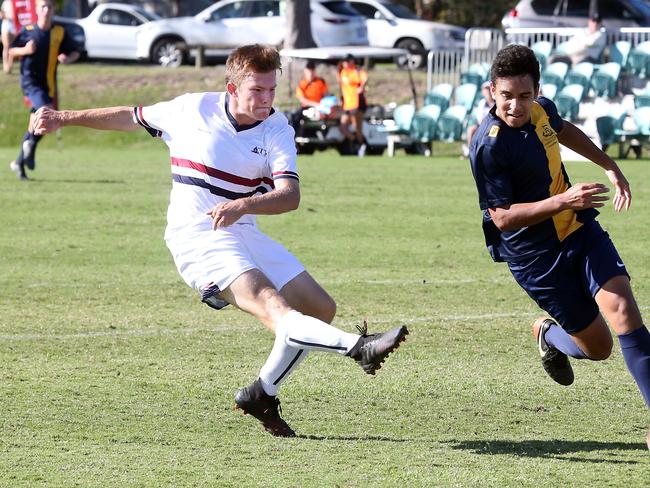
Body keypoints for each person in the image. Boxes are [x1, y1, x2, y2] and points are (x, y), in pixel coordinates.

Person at [31, 44, 408, 438]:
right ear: (231, 88)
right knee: (274, 308)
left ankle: (261, 393)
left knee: (319, 308)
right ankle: (357, 347)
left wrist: (243, 205)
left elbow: (290, 196)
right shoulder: (192, 110)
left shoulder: (277, 128)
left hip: (243, 229)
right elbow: (130, 116)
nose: (265, 100)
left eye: (271, 90)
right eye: (256, 91)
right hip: (197, 236)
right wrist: (62, 118)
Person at [469, 44, 650, 448]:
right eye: (507, 96)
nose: (516, 105)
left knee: (623, 310)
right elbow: (502, 218)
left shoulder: (542, 110)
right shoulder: (489, 146)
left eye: (525, 95)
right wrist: (563, 200)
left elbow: (565, 131)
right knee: (599, 348)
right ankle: (549, 335)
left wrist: (609, 165)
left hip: (577, 229)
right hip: (533, 256)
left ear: (537, 91)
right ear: (491, 92)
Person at [8, 0, 80, 180]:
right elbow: (10, 51)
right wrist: (25, 49)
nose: (46, 10)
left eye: (50, 6)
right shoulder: (28, 31)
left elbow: (76, 51)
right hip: (30, 83)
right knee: (46, 113)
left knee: (42, 123)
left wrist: (68, 58)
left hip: (49, 84)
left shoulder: (59, 32)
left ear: (54, 9)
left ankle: (20, 161)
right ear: (38, 10)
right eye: (43, 6)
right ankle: (30, 147)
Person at [337, 54, 368, 157]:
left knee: (357, 128)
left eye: (347, 61)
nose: (345, 63)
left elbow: (365, 78)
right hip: (347, 104)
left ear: (351, 61)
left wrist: (362, 87)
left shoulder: (357, 71)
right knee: (343, 127)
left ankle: (362, 145)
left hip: (357, 104)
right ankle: (356, 142)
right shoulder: (343, 72)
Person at [290, 59, 330, 130]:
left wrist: (324, 104)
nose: (311, 74)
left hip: (321, 107)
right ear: (305, 71)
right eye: (309, 71)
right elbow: (302, 100)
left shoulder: (320, 82)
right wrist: (315, 104)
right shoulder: (302, 84)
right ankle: (294, 135)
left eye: (312, 71)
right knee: (295, 117)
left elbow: (326, 95)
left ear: (315, 71)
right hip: (307, 107)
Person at [462, 81, 494, 158]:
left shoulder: (497, 103)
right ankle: (471, 151)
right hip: (482, 125)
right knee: (471, 129)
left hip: (493, 126)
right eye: (485, 90)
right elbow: (479, 117)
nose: (487, 92)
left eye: (488, 89)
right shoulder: (482, 103)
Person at [1, 0, 16, 73]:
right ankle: (5, 65)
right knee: (6, 46)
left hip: (14, 26)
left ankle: (10, 66)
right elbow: (1, 15)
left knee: (12, 46)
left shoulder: (15, 2)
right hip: (6, 26)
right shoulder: (5, 2)